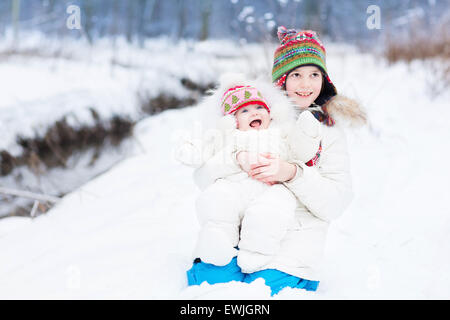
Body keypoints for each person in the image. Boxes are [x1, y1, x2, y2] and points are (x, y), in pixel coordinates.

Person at [186, 27, 367, 296]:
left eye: (314, 74)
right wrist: (238, 158)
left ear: (324, 79)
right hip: (241, 230)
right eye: (296, 75)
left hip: (296, 237)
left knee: (258, 293)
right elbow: (203, 179)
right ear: (282, 78)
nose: (306, 84)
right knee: (210, 284)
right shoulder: (253, 113)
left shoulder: (329, 131)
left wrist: (292, 173)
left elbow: (335, 202)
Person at [176, 73, 322, 274]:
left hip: (272, 188)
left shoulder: (280, 134)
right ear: (232, 121)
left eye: (260, 107)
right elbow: (207, 151)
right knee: (217, 197)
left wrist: (308, 134)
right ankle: (217, 241)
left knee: (273, 210)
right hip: (236, 187)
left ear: (271, 114)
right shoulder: (230, 137)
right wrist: (193, 150)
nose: (254, 112)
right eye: (244, 110)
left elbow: (300, 153)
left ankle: (256, 254)